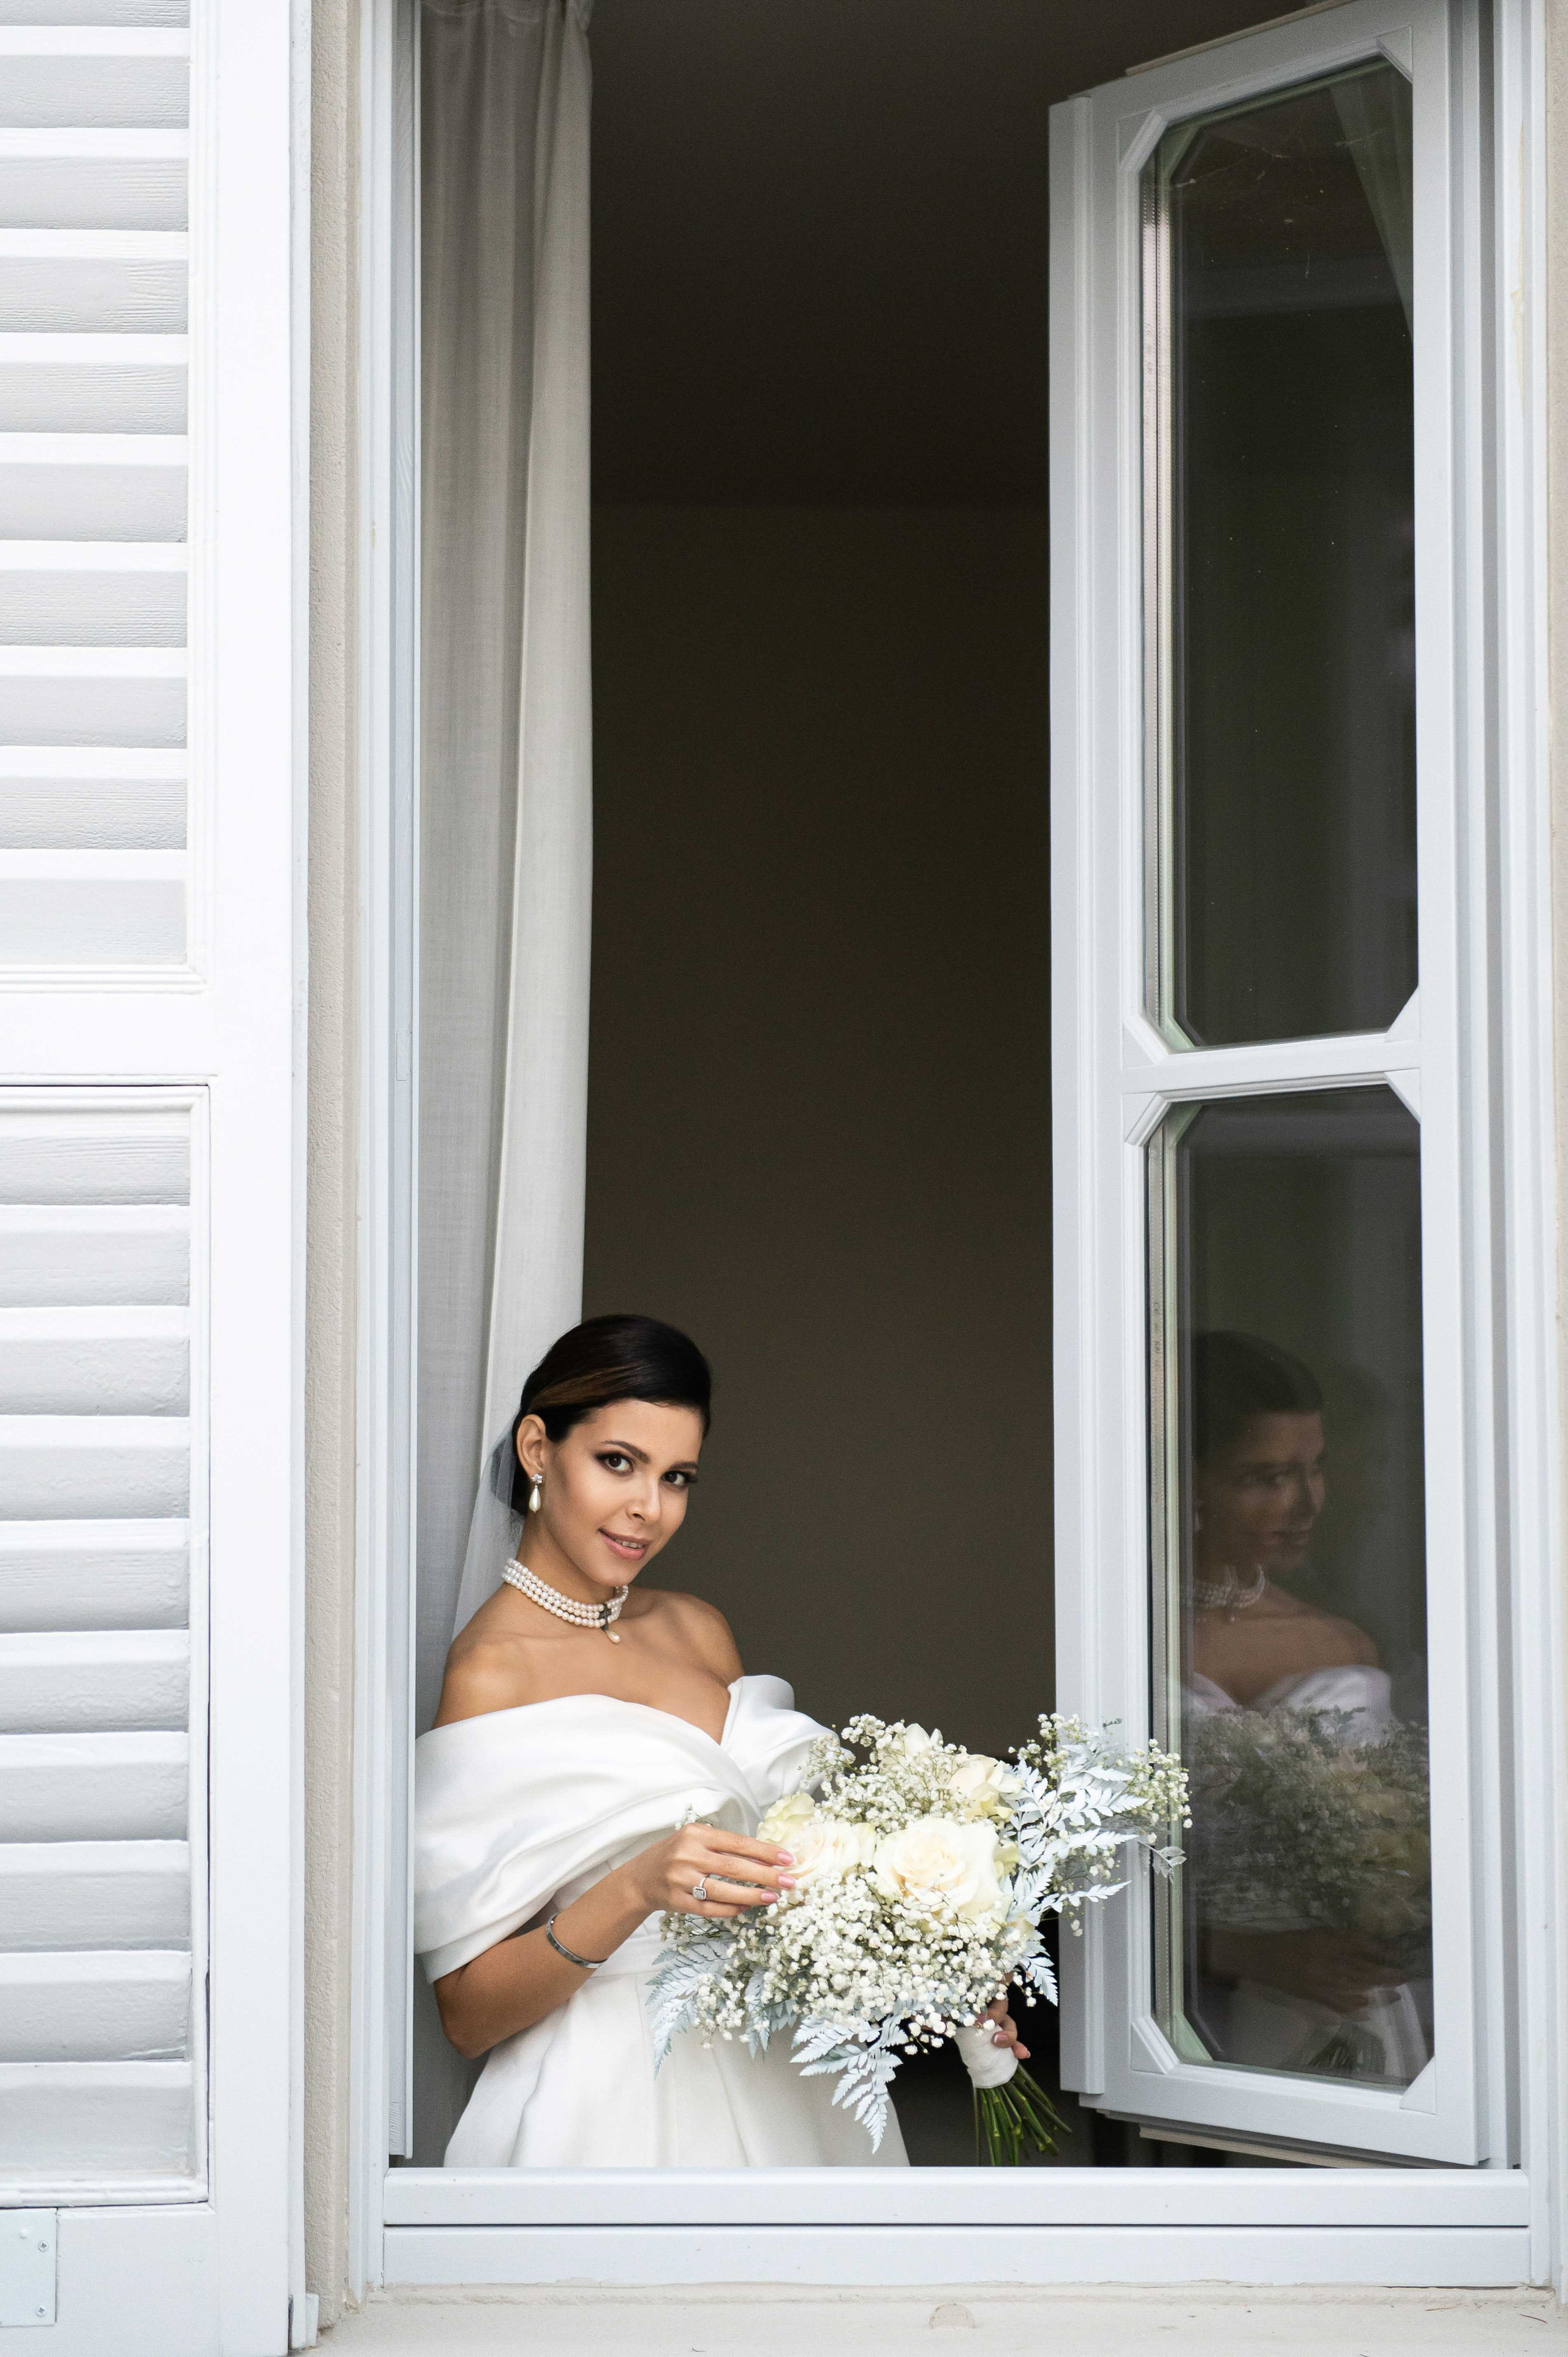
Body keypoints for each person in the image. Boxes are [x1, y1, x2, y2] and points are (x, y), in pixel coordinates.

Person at [414, 1312, 1024, 2168]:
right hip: (619, 2099)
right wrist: (635, 1886)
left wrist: (937, 1942)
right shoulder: (491, 1676)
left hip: (790, 2069)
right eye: (617, 1462)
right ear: (538, 1448)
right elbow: (468, 2013)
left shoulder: (697, 1627)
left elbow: (793, 1863)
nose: (648, 1508)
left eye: (677, 1476)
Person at [1181, 1331, 1429, 2086]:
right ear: (1186, 1484)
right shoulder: (1125, 1648)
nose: (1306, 1503)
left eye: (1315, 1468)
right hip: (1176, 2020)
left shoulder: (1339, 1637)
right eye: (1266, 1476)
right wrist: (1235, 1952)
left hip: (1348, 2001)